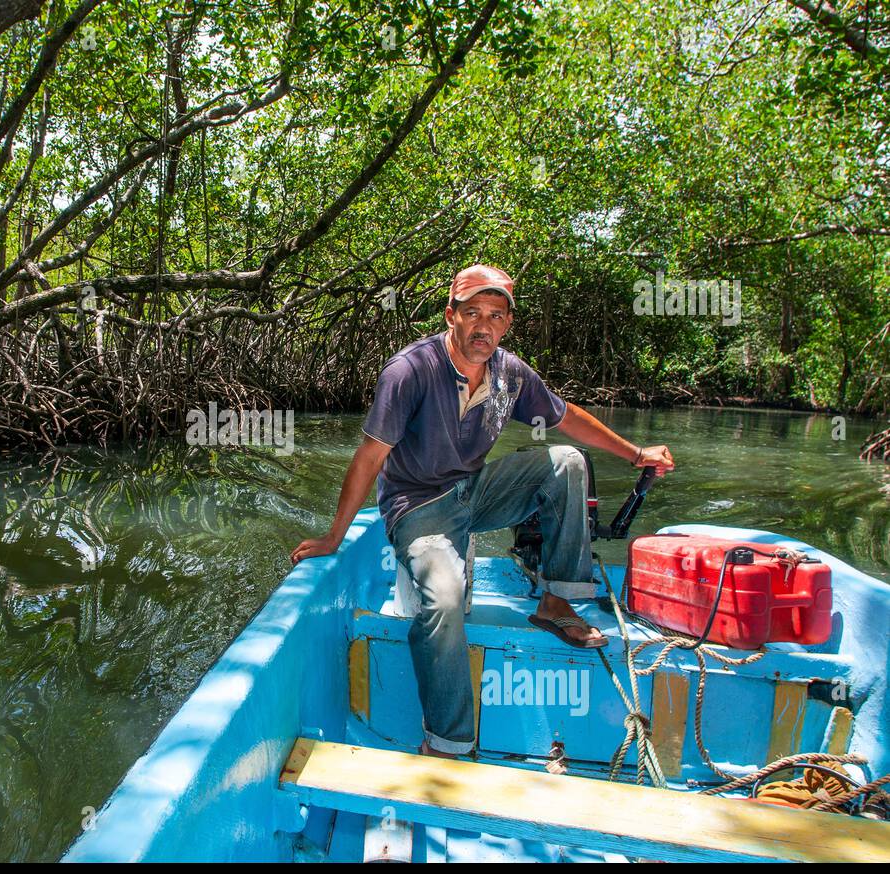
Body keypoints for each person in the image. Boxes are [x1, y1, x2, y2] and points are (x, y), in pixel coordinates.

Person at [289, 264, 675, 758]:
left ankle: (556, 603)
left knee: (567, 464)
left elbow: (566, 417)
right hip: (418, 507)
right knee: (445, 599)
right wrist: (333, 538)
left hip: (475, 490)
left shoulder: (509, 373)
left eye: (496, 315)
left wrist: (634, 453)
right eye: (472, 313)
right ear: (451, 315)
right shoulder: (410, 371)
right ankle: (449, 743)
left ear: (507, 324)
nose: (483, 326)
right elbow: (369, 458)